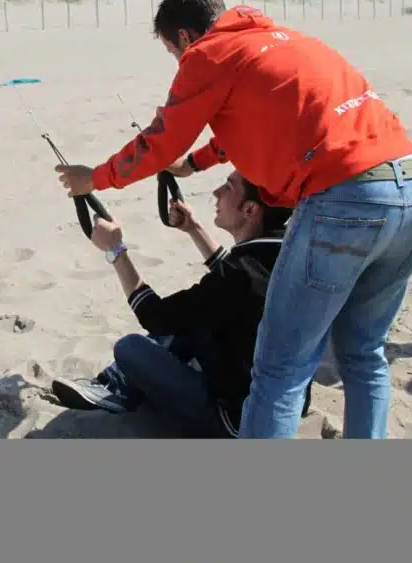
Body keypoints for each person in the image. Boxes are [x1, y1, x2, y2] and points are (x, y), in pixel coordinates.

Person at [54, 0, 412, 439]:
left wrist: (93, 179)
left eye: (172, 52)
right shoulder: (290, 43)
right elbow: (252, 125)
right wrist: (194, 164)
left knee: (279, 371)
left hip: (345, 198)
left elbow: (159, 142)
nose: (178, 62)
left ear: (183, 37)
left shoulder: (208, 54)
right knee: (363, 354)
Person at [51, 170, 312, 438]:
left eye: (228, 187)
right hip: (286, 408)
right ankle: (122, 383)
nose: (216, 192)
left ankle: (118, 386)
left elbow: (154, 315)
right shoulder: (287, 254)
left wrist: (115, 250)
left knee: (130, 347)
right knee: (197, 321)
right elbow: (234, 279)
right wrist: (194, 228)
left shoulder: (237, 278)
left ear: (250, 210)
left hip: (235, 424)